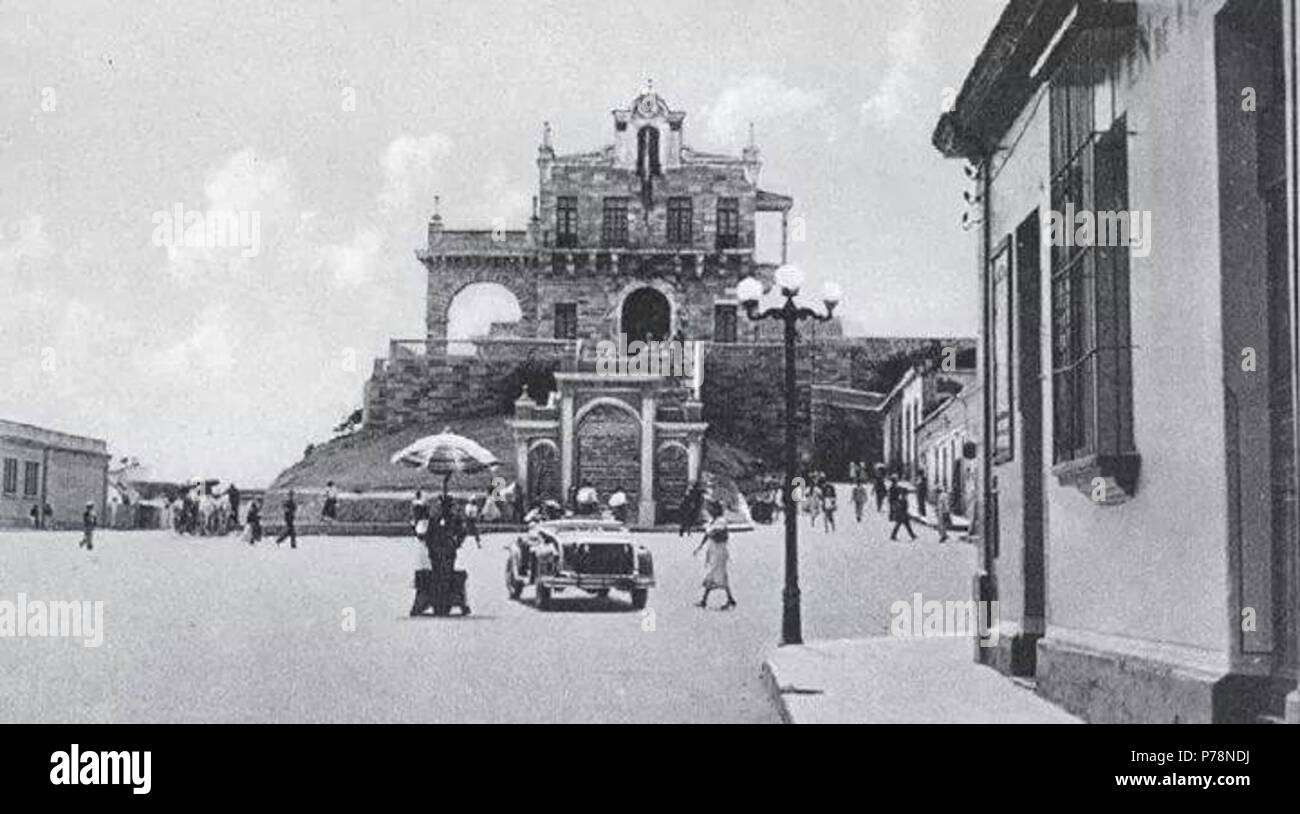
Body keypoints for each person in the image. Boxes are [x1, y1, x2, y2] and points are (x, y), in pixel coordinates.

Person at [693, 501, 736, 609]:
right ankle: (730, 599)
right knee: (719, 575)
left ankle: (704, 600)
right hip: (713, 550)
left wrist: (712, 534)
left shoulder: (721, 522)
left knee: (713, 573)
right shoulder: (713, 521)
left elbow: (719, 534)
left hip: (720, 551)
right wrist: (699, 547)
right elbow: (707, 535)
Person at [888, 477, 916, 541]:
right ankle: (894, 535)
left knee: (904, 523)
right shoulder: (894, 488)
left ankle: (912, 535)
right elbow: (893, 498)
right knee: (902, 523)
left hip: (899, 507)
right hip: (899, 507)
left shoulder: (895, 487)